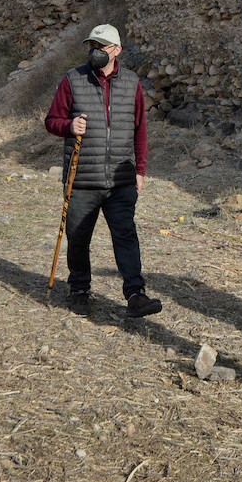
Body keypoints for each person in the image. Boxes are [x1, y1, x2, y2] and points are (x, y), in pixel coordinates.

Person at [44, 24, 161, 318]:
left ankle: (136, 294)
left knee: (125, 236)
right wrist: (69, 126)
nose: (95, 51)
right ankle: (80, 290)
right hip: (82, 178)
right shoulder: (73, 79)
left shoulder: (132, 83)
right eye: (92, 45)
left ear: (117, 50)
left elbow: (141, 131)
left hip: (121, 179)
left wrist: (141, 171)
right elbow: (51, 120)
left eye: (102, 46)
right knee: (79, 236)